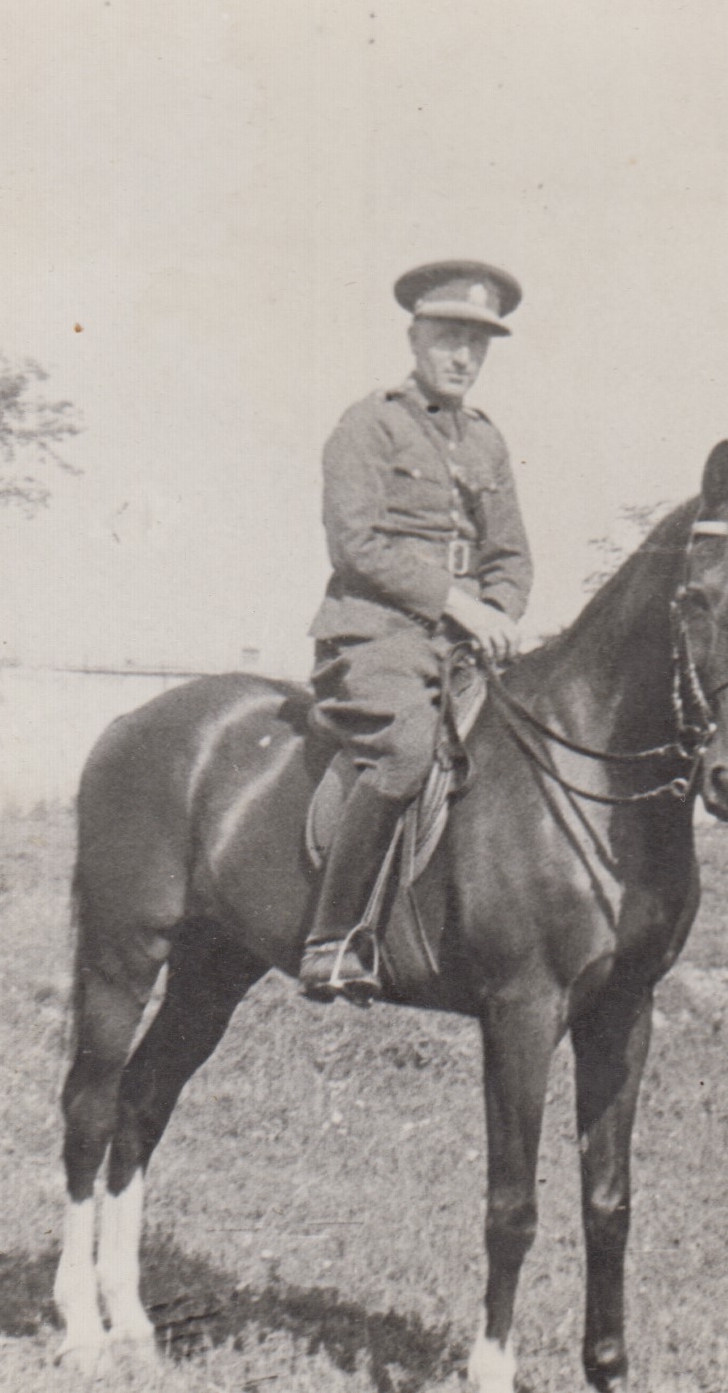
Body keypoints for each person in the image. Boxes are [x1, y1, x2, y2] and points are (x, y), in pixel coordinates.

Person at [300, 260, 533, 1003]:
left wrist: (498, 614)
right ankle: (332, 940)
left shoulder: (487, 442)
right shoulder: (369, 424)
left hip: (463, 651)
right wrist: (459, 604)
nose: (463, 357)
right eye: (448, 338)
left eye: (477, 343)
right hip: (375, 640)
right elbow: (356, 546)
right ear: (414, 338)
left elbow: (510, 556)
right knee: (406, 749)